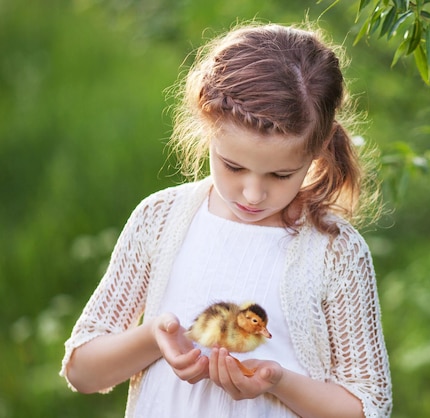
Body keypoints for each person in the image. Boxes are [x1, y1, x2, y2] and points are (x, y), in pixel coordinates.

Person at [60, 22, 392, 418]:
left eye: (280, 175)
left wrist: (277, 382)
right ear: (207, 129)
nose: (253, 194)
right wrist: (155, 337)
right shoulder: (161, 219)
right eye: (233, 166)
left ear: (319, 149)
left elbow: (367, 406)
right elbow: (83, 371)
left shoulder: (335, 250)